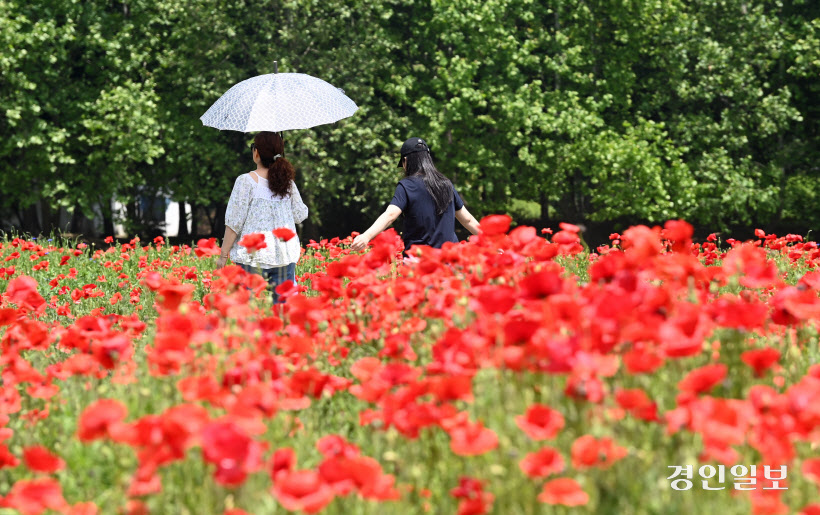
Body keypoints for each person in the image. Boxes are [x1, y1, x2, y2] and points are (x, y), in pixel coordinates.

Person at [216, 131, 308, 303]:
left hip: (251, 257)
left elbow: (234, 222)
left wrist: (223, 255)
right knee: (284, 311)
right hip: (284, 256)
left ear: (256, 152)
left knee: (246, 311)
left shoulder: (246, 181)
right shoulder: (287, 183)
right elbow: (301, 215)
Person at [351, 137, 480, 254]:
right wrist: (490, 240)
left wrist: (366, 236)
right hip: (449, 261)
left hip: (420, 263)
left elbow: (390, 215)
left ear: (405, 160)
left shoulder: (406, 185)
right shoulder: (446, 184)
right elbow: (467, 220)